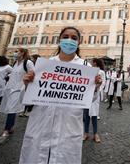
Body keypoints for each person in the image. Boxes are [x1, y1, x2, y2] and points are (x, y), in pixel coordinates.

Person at [19, 26, 102, 164]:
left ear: (79, 42)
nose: (69, 40)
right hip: (41, 124)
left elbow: (88, 100)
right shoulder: (45, 65)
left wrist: (95, 87)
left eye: (74, 38)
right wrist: (28, 84)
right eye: (65, 37)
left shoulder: (86, 68)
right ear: (59, 40)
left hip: (68, 127)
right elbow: (27, 101)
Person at [0, 48, 35, 145]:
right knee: (9, 109)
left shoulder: (28, 63)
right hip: (10, 89)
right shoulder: (15, 63)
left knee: (12, 109)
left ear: (23, 53)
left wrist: (27, 82)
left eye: (17, 51)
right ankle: (10, 127)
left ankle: (6, 132)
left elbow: (33, 74)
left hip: (18, 89)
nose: (15, 53)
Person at [83, 58, 105, 143]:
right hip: (87, 94)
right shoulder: (88, 70)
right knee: (86, 114)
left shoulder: (101, 72)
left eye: (92, 62)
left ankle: (95, 134)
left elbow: (103, 83)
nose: (91, 63)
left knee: (94, 114)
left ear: (95, 63)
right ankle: (86, 133)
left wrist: (96, 87)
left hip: (95, 95)